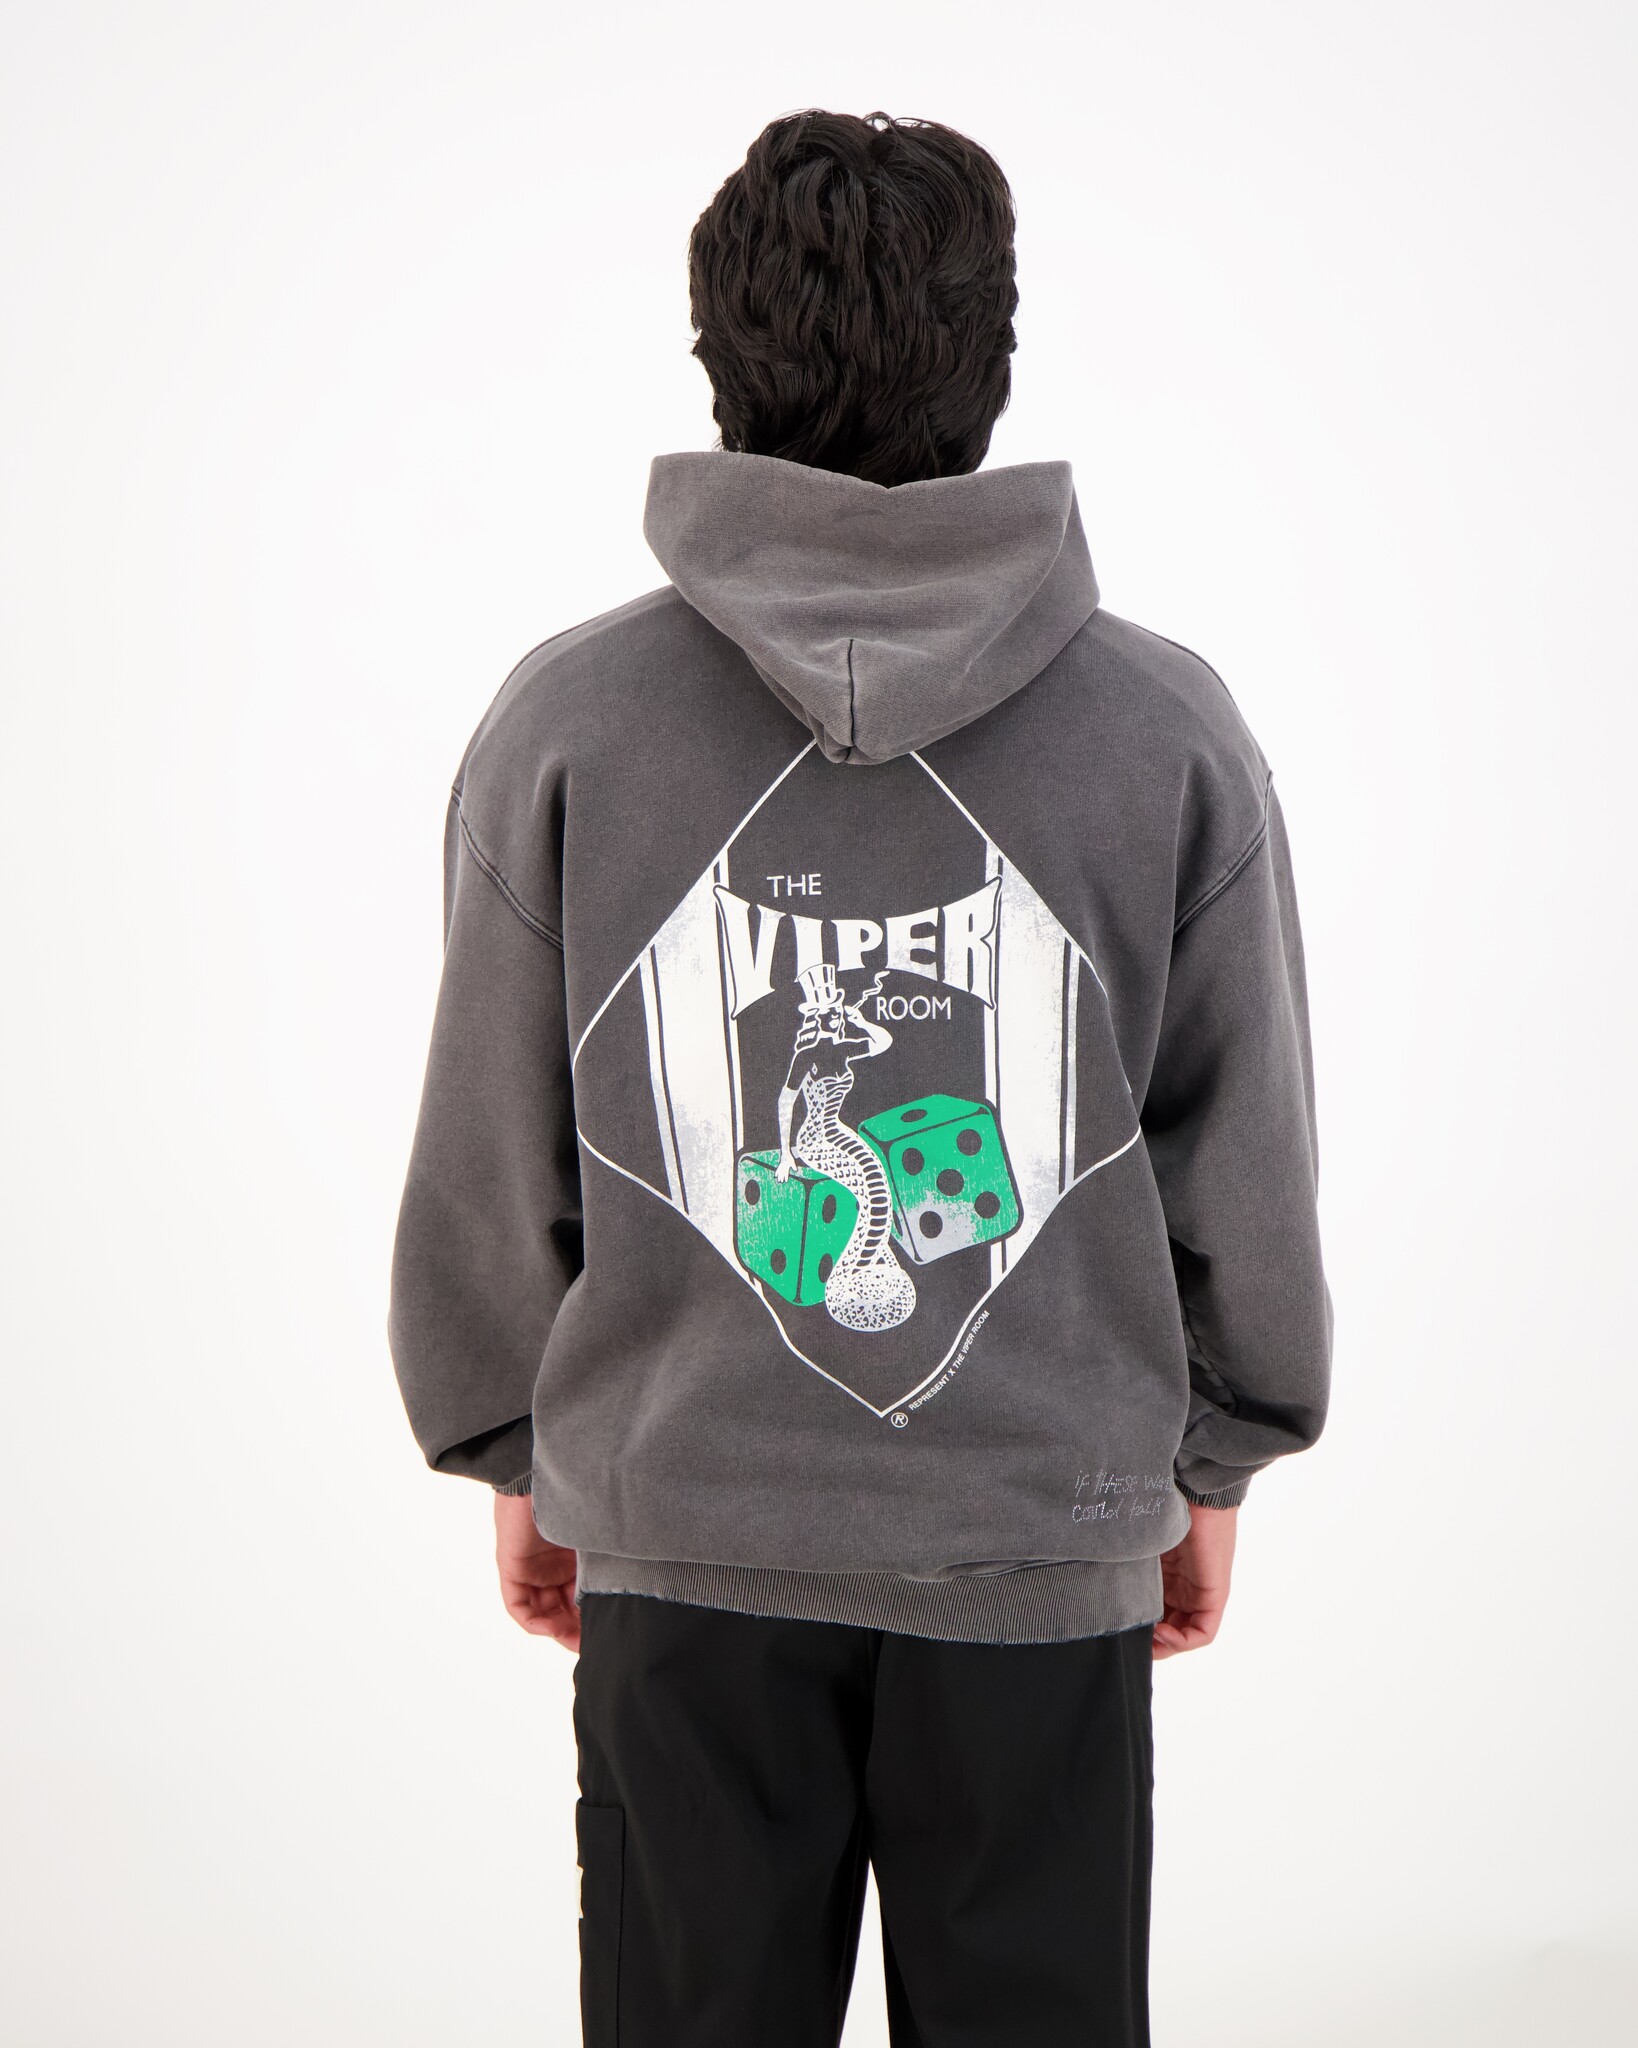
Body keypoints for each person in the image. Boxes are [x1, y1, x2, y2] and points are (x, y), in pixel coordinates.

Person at [389, 108, 1331, 2048]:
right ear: (994, 357)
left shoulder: (568, 721)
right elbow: (1242, 1138)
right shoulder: (1163, 729)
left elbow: (490, 1134)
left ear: (716, 361)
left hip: (686, 1534)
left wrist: (519, 1448)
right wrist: (1212, 1459)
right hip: (1044, 1532)